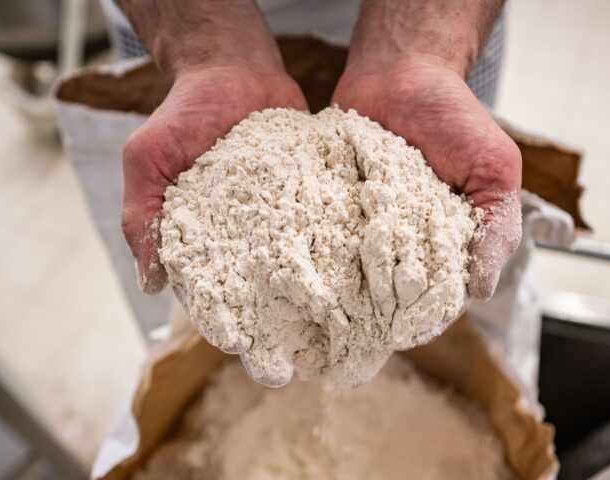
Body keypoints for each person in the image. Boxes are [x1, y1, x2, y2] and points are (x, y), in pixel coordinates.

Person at [110, 0, 522, 301]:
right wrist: (207, 54)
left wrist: (424, 54)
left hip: (439, 17)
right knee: (187, 289)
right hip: (180, 18)